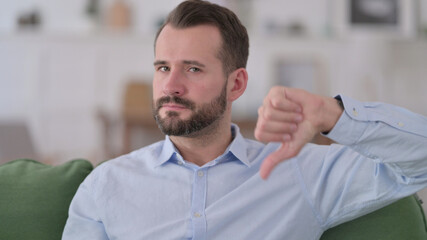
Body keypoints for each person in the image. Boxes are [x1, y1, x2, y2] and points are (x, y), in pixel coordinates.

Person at [62, 1, 427, 239]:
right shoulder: (106, 186)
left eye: (192, 68)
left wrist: (331, 114)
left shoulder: (301, 173)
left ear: (235, 83)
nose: (170, 86)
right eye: (162, 68)